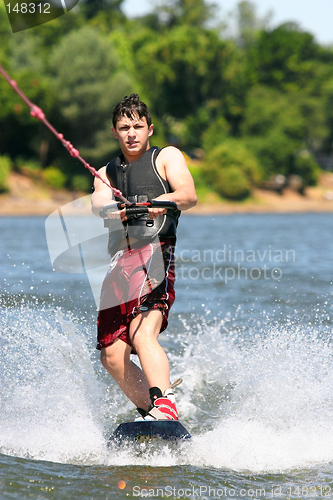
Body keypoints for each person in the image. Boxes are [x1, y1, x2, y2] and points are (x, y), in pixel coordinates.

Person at [91, 94, 197, 421]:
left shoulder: (167, 157)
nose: (131, 133)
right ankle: (151, 413)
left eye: (138, 126)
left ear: (149, 129)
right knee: (111, 355)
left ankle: (164, 403)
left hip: (155, 256)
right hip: (119, 267)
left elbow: (188, 195)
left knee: (142, 330)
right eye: (124, 127)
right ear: (115, 133)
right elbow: (97, 204)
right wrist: (114, 211)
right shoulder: (105, 173)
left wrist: (158, 202)